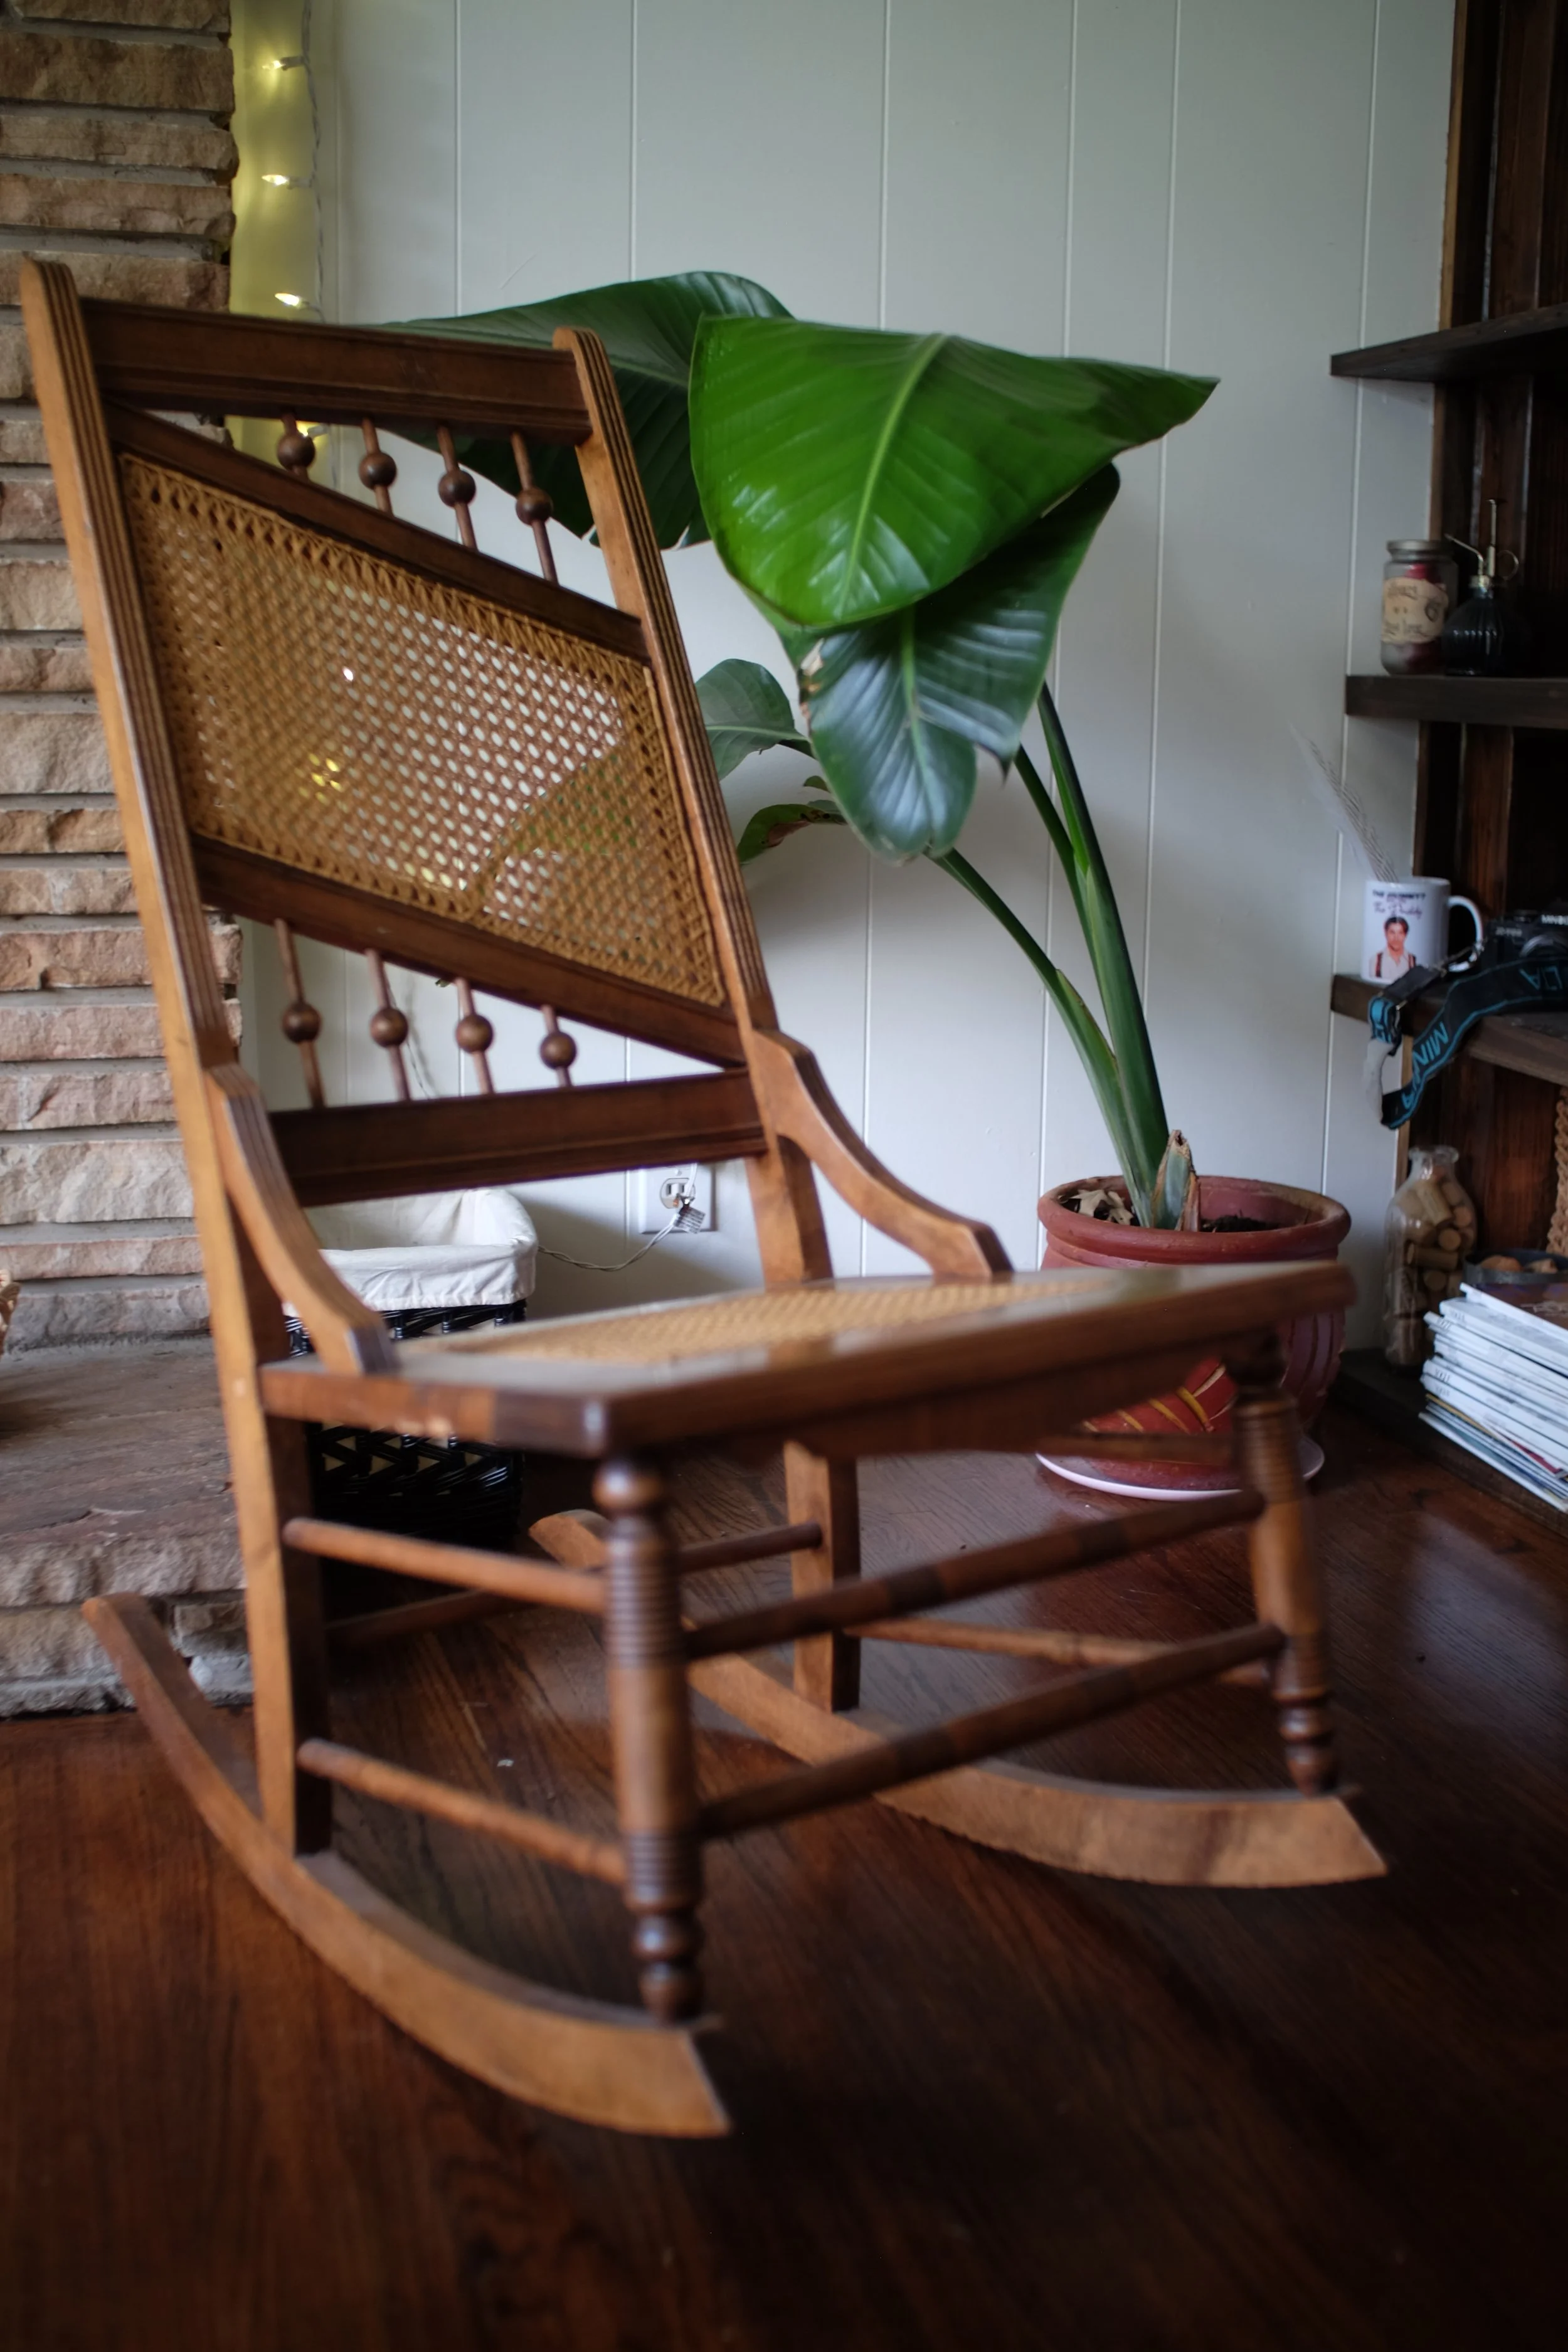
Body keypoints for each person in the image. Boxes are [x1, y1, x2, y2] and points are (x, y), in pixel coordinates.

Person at [1368, 913, 1418, 981]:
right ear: (1386, 934)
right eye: (1392, 933)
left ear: (1405, 935)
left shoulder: (1413, 961)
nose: (1396, 938)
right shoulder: (1375, 960)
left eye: (1400, 933)